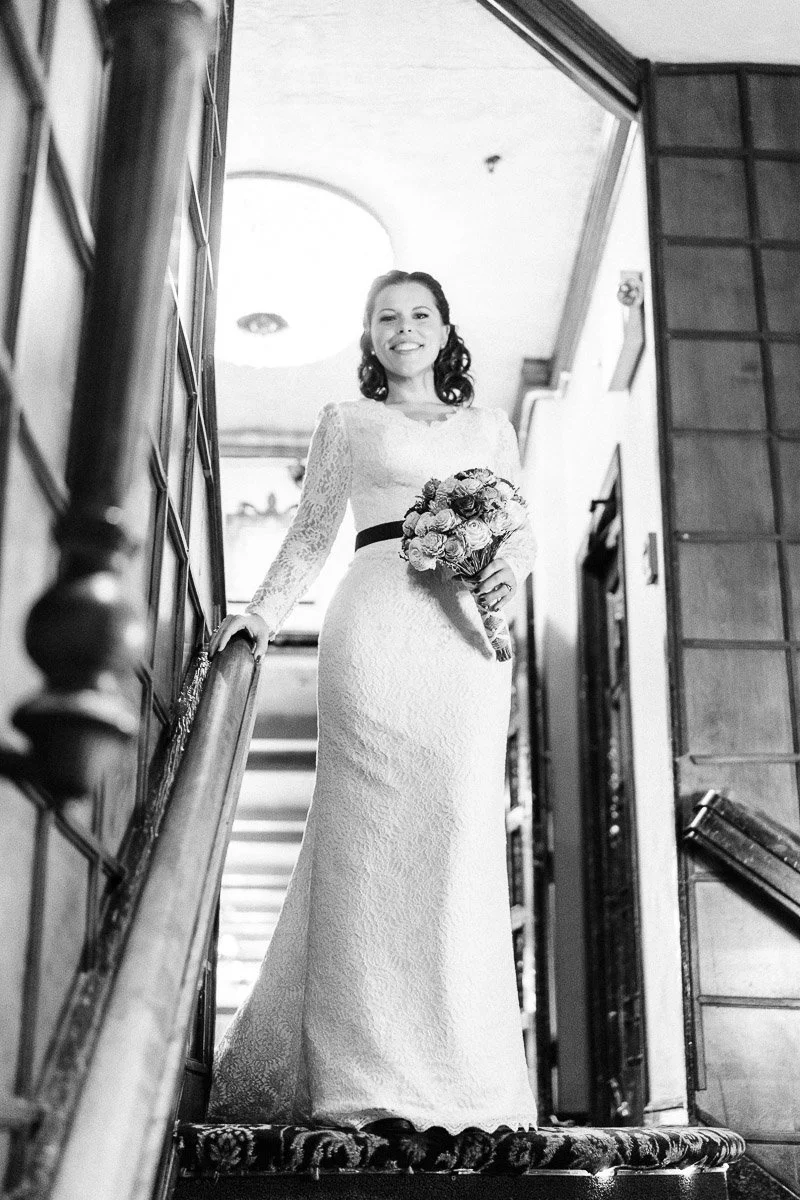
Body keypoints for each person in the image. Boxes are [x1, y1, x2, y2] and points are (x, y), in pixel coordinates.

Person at [207, 270, 538, 1134]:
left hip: (464, 638)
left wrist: (510, 570)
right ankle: (362, 1074)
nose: (404, 328)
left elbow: (523, 529)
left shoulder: (490, 426)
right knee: (365, 831)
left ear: (444, 328)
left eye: (419, 314)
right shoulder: (347, 422)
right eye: (386, 318)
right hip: (376, 624)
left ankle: (466, 1076)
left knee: (459, 832)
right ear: (368, 337)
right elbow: (313, 531)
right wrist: (261, 615)